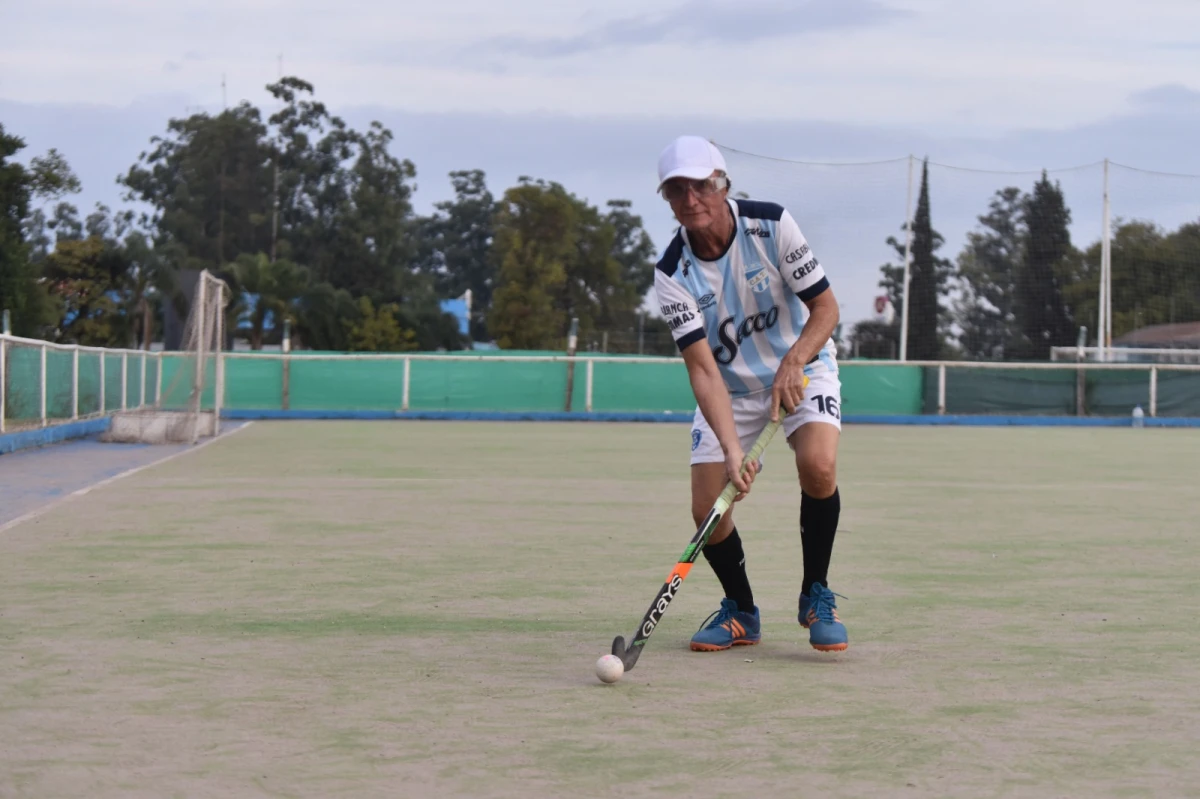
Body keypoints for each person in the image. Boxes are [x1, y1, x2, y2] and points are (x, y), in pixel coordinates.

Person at [652, 135, 848, 653]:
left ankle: (816, 593)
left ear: (722, 185)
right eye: (677, 191)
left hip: (802, 366)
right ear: (668, 200)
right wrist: (734, 450)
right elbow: (702, 369)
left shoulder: (772, 225)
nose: (690, 199)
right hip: (730, 390)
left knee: (819, 465)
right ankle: (741, 610)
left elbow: (826, 310)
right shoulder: (672, 274)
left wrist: (794, 361)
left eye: (699, 186)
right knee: (708, 510)